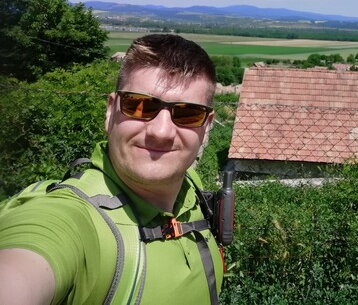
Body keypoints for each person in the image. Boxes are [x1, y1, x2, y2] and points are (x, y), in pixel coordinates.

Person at [0, 34, 224, 304]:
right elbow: (24, 269)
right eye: (139, 105)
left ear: (207, 126)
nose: (161, 132)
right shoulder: (72, 218)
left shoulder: (191, 188)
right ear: (110, 110)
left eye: (188, 113)